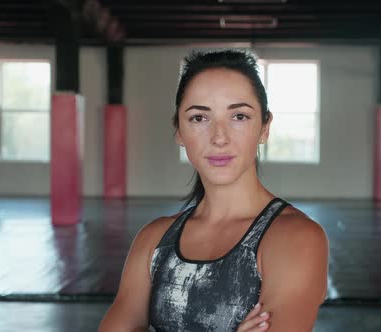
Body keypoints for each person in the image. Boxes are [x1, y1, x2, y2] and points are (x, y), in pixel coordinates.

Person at [98, 49, 328, 332]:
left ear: (264, 128)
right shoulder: (153, 239)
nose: (219, 137)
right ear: (179, 131)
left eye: (239, 116)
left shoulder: (296, 238)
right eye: (199, 118)